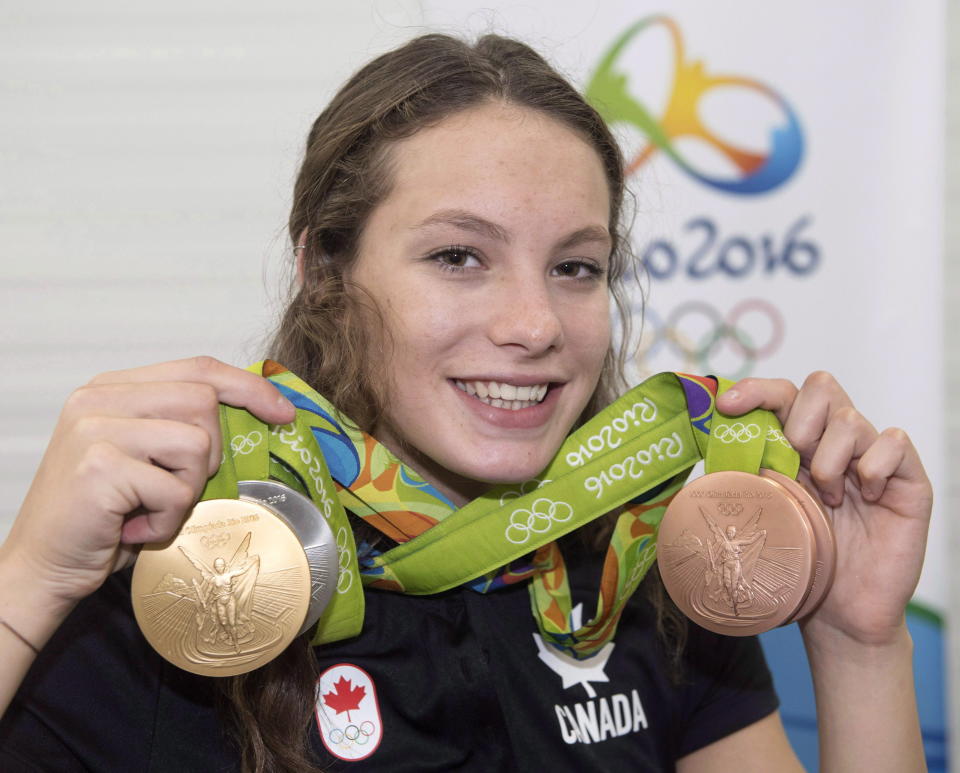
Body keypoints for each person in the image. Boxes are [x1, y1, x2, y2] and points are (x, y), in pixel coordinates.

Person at [0, 33, 931, 772]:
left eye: (576, 266)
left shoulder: (640, 568)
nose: (534, 323)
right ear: (324, 268)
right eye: (458, 256)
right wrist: (27, 582)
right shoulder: (189, 579)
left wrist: (858, 642)